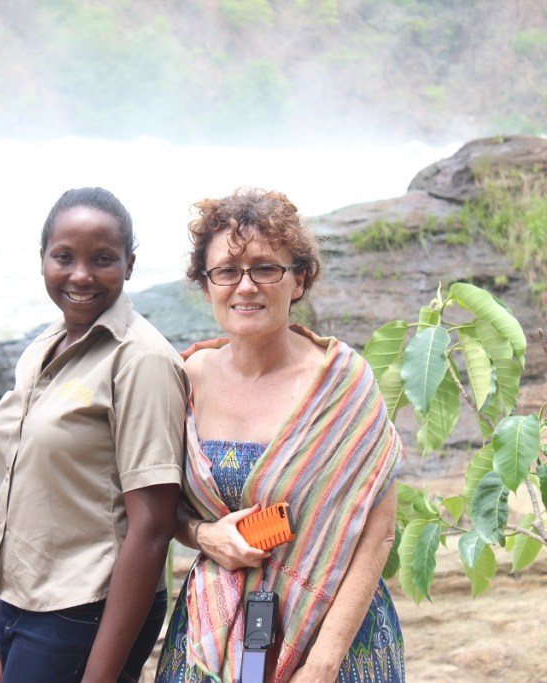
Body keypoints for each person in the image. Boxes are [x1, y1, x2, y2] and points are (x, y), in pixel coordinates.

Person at [154, 188, 406, 683]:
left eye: (266, 267)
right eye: (227, 270)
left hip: (336, 639)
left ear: (299, 281)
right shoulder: (182, 381)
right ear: (207, 287)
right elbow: (156, 507)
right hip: (214, 634)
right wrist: (204, 536)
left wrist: (323, 663)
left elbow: (380, 534)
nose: (245, 286)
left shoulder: (342, 385)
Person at [0, 187, 190, 683]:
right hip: (24, 604)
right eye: (64, 257)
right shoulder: (41, 350)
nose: (80, 276)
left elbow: (153, 527)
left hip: (87, 612)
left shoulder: (141, 361)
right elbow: (27, 503)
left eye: (102, 259)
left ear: (129, 265)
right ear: (43, 260)